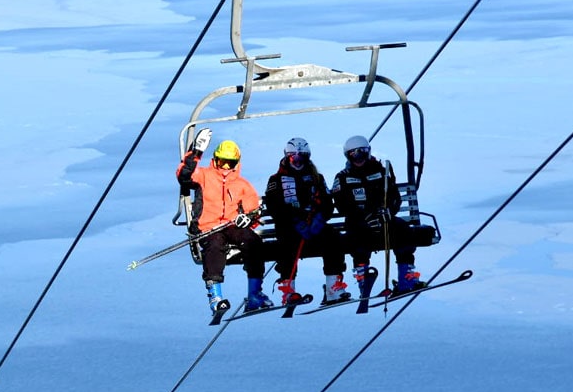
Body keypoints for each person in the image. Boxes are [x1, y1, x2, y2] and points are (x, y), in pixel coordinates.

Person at [176, 131, 272, 316]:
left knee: (252, 242)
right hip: (208, 226)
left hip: (231, 225)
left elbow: (253, 209)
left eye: (230, 163)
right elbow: (184, 176)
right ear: (215, 160)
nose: (226, 167)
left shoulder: (242, 184)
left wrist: (248, 219)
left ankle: (255, 293)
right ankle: (215, 296)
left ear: (237, 164)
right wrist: (196, 152)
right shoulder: (203, 176)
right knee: (214, 245)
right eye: (222, 162)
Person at [330, 135, 426, 295]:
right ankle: (363, 277)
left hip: (383, 219)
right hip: (358, 221)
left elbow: (394, 197)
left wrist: (389, 211)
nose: (358, 157)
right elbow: (341, 204)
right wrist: (363, 217)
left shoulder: (381, 171)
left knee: (403, 229)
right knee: (357, 236)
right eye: (353, 154)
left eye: (362, 152)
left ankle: (406, 278)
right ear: (348, 156)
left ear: (368, 152)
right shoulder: (343, 177)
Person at [263, 137, 351, 306]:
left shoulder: (316, 178)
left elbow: (327, 203)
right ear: (287, 157)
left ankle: (333, 287)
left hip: (313, 225)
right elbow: (274, 206)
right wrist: (294, 220)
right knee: (287, 243)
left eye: (302, 157)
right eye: (293, 158)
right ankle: (288, 290)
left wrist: (320, 218)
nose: (298, 162)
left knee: (333, 237)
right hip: (290, 226)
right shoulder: (277, 179)